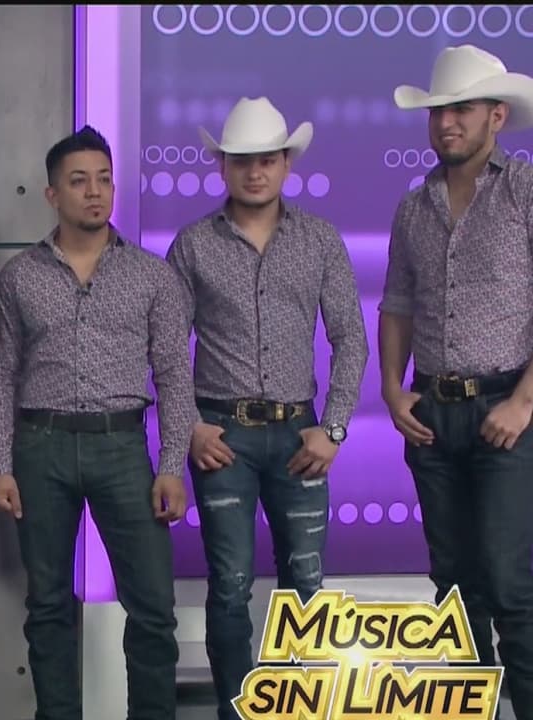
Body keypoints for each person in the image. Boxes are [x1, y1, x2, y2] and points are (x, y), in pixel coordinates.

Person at [165, 97, 368, 719]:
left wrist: (334, 429)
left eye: (268, 160)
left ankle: (294, 707)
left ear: (286, 164)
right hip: (221, 436)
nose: (255, 172)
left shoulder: (320, 239)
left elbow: (352, 338)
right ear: (222, 166)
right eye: (242, 160)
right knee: (228, 585)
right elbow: (167, 347)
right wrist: (191, 426)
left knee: (306, 584)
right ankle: (237, 711)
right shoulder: (193, 244)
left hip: (299, 434)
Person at [0, 125, 192, 720]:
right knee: (48, 606)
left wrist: (171, 465)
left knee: (152, 607)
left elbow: (175, 376)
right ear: (53, 194)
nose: (95, 192)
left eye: (104, 180)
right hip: (40, 448)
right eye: (79, 182)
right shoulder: (20, 276)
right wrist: (0, 465)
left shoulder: (152, 275)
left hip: (122, 448)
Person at [379, 44, 533, 716]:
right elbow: (397, 304)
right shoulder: (413, 207)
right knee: (452, 584)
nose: (447, 123)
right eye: (439, 111)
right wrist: (392, 389)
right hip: (434, 415)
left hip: (508, 409)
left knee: (509, 582)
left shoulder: (525, 190)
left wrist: (524, 401)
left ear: (496, 116)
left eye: (462, 110)